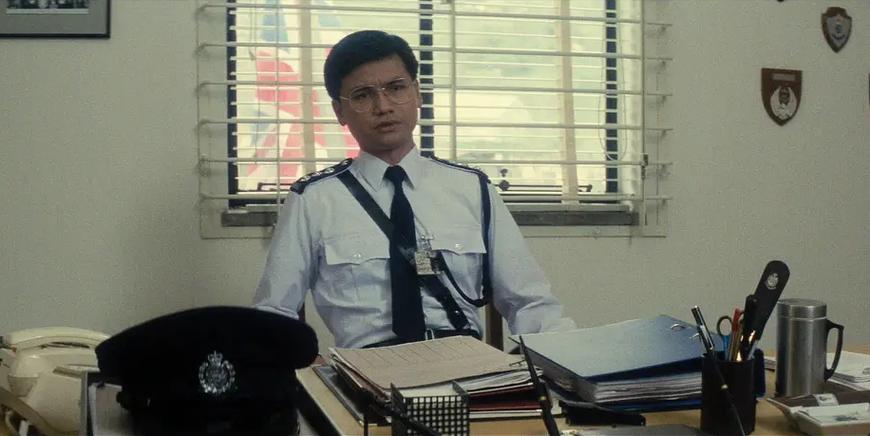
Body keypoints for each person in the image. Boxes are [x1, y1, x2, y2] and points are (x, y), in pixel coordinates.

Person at [253, 30, 575, 349]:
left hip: (466, 363)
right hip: (367, 369)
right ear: (340, 112)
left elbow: (531, 304)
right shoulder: (314, 200)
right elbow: (274, 312)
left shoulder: (471, 188)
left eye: (396, 88)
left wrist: (570, 361)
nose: (383, 106)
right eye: (363, 96)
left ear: (417, 93)